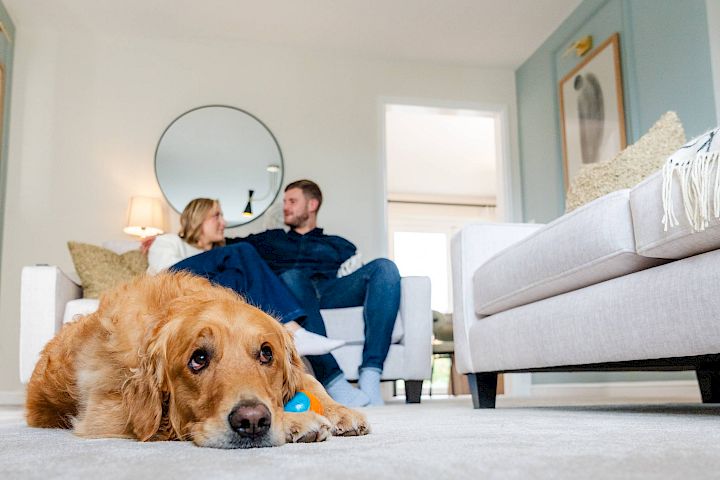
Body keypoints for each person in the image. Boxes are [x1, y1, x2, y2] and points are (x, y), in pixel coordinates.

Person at [227, 180, 401, 407]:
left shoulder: (338, 245)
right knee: (292, 276)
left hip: (330, 292)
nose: (286, 207)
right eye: (285, 202)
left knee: (385, 267)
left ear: (312, 204)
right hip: (292, 294)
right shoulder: (270, 240)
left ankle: (370, 375)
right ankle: (334, 380)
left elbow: (355, 273)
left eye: (292, 201)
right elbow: (231, 248)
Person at [146, 197, 345, 357]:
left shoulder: (223, 258)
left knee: (239, 274)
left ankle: (292, 334)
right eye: (217, 216)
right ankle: (294, 331)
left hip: (207, 302)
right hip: (172, 296)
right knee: (242, 251)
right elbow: (168, 278)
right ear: (198, 218)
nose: (224, 223)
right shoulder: (168, 242)